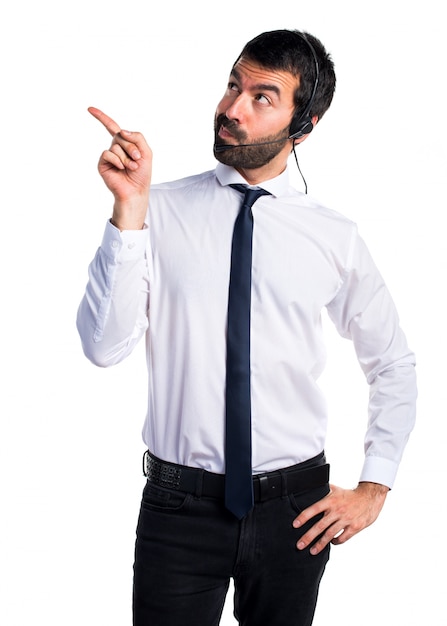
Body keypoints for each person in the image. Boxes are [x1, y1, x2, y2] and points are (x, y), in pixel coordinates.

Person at [76, 29, 417, 626]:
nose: (232, 108)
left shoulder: (334, 237)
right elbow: (104, 348)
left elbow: (392, 362)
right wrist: (128, 215)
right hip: (178, 508)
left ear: (304, 125)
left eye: (263, 97)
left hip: (297, 514)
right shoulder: (156, 209)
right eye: (234, 84)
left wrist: (374, 487)